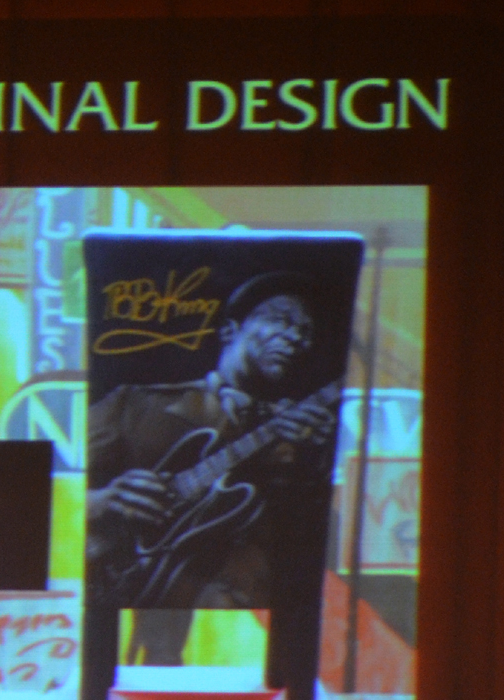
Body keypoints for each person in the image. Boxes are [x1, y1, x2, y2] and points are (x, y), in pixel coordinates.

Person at [84, 273, 339, 639]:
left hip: (241, 627)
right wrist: (101, 501)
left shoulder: (306, 437)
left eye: (305, 332)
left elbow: (318, 548)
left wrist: (313, 460)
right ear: (230, 330)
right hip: (129, 605)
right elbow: (51, 485)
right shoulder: (136, 403)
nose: (295, 337)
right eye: (280, 319)